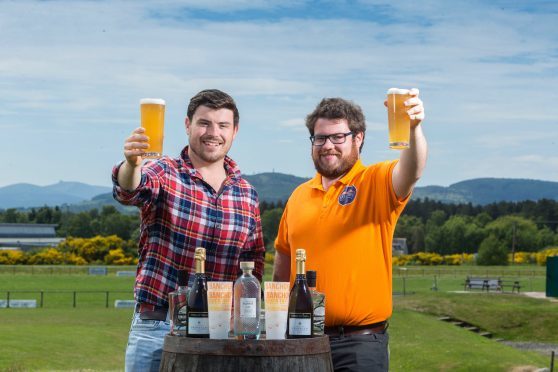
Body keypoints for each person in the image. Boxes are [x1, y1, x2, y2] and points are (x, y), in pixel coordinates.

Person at [273, 89, 427, 371]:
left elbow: (413, 169)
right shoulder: (298, 196)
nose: (328, 145)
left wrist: (413, 129)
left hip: (360, 345)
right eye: (320, 138)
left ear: (358, 138)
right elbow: (283, 261)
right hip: (302, 340)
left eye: (338, 137)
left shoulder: (376, 181)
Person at [112, 89, 265, 372]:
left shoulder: (247, 194)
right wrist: (131, 164)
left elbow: (253, 263)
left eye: (223, 125)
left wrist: (245, 320)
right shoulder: (165, 171)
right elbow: (130, 190)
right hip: (158, 326)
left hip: (220, 333)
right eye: (204, 123)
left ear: (235, 131)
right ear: (187, 125)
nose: (213, 133)